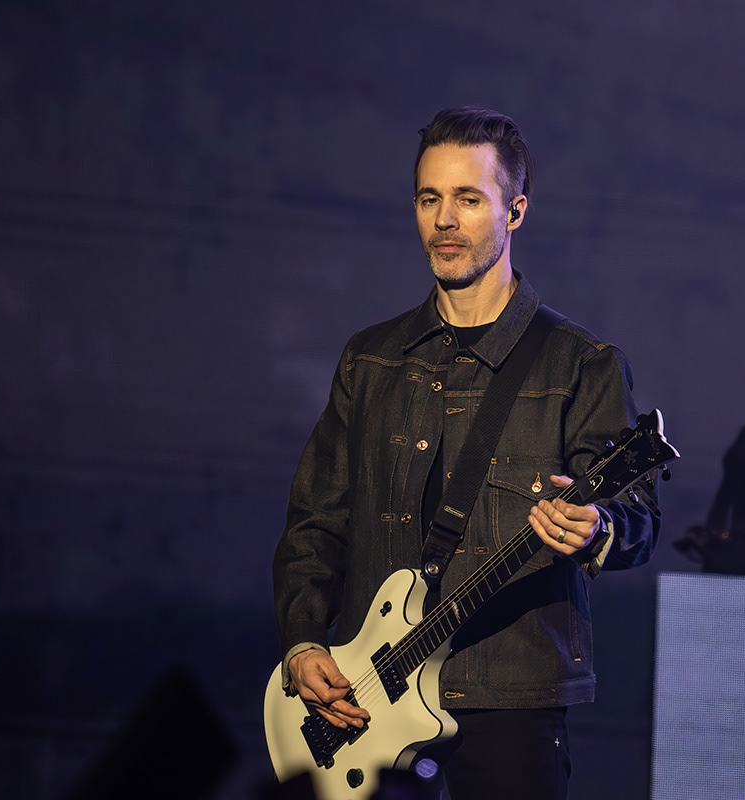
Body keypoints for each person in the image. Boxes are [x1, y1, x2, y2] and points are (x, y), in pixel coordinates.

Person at [271, 106, 660, 800]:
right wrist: (303, 641)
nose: (444, 220)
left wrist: (597, 528)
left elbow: (639, 518)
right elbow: (316, 521)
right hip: (369, 702)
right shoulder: (371, 360)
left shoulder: (582, 364)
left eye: (468, 199)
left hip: (512, 701)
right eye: (429, 199)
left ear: (515, 211)